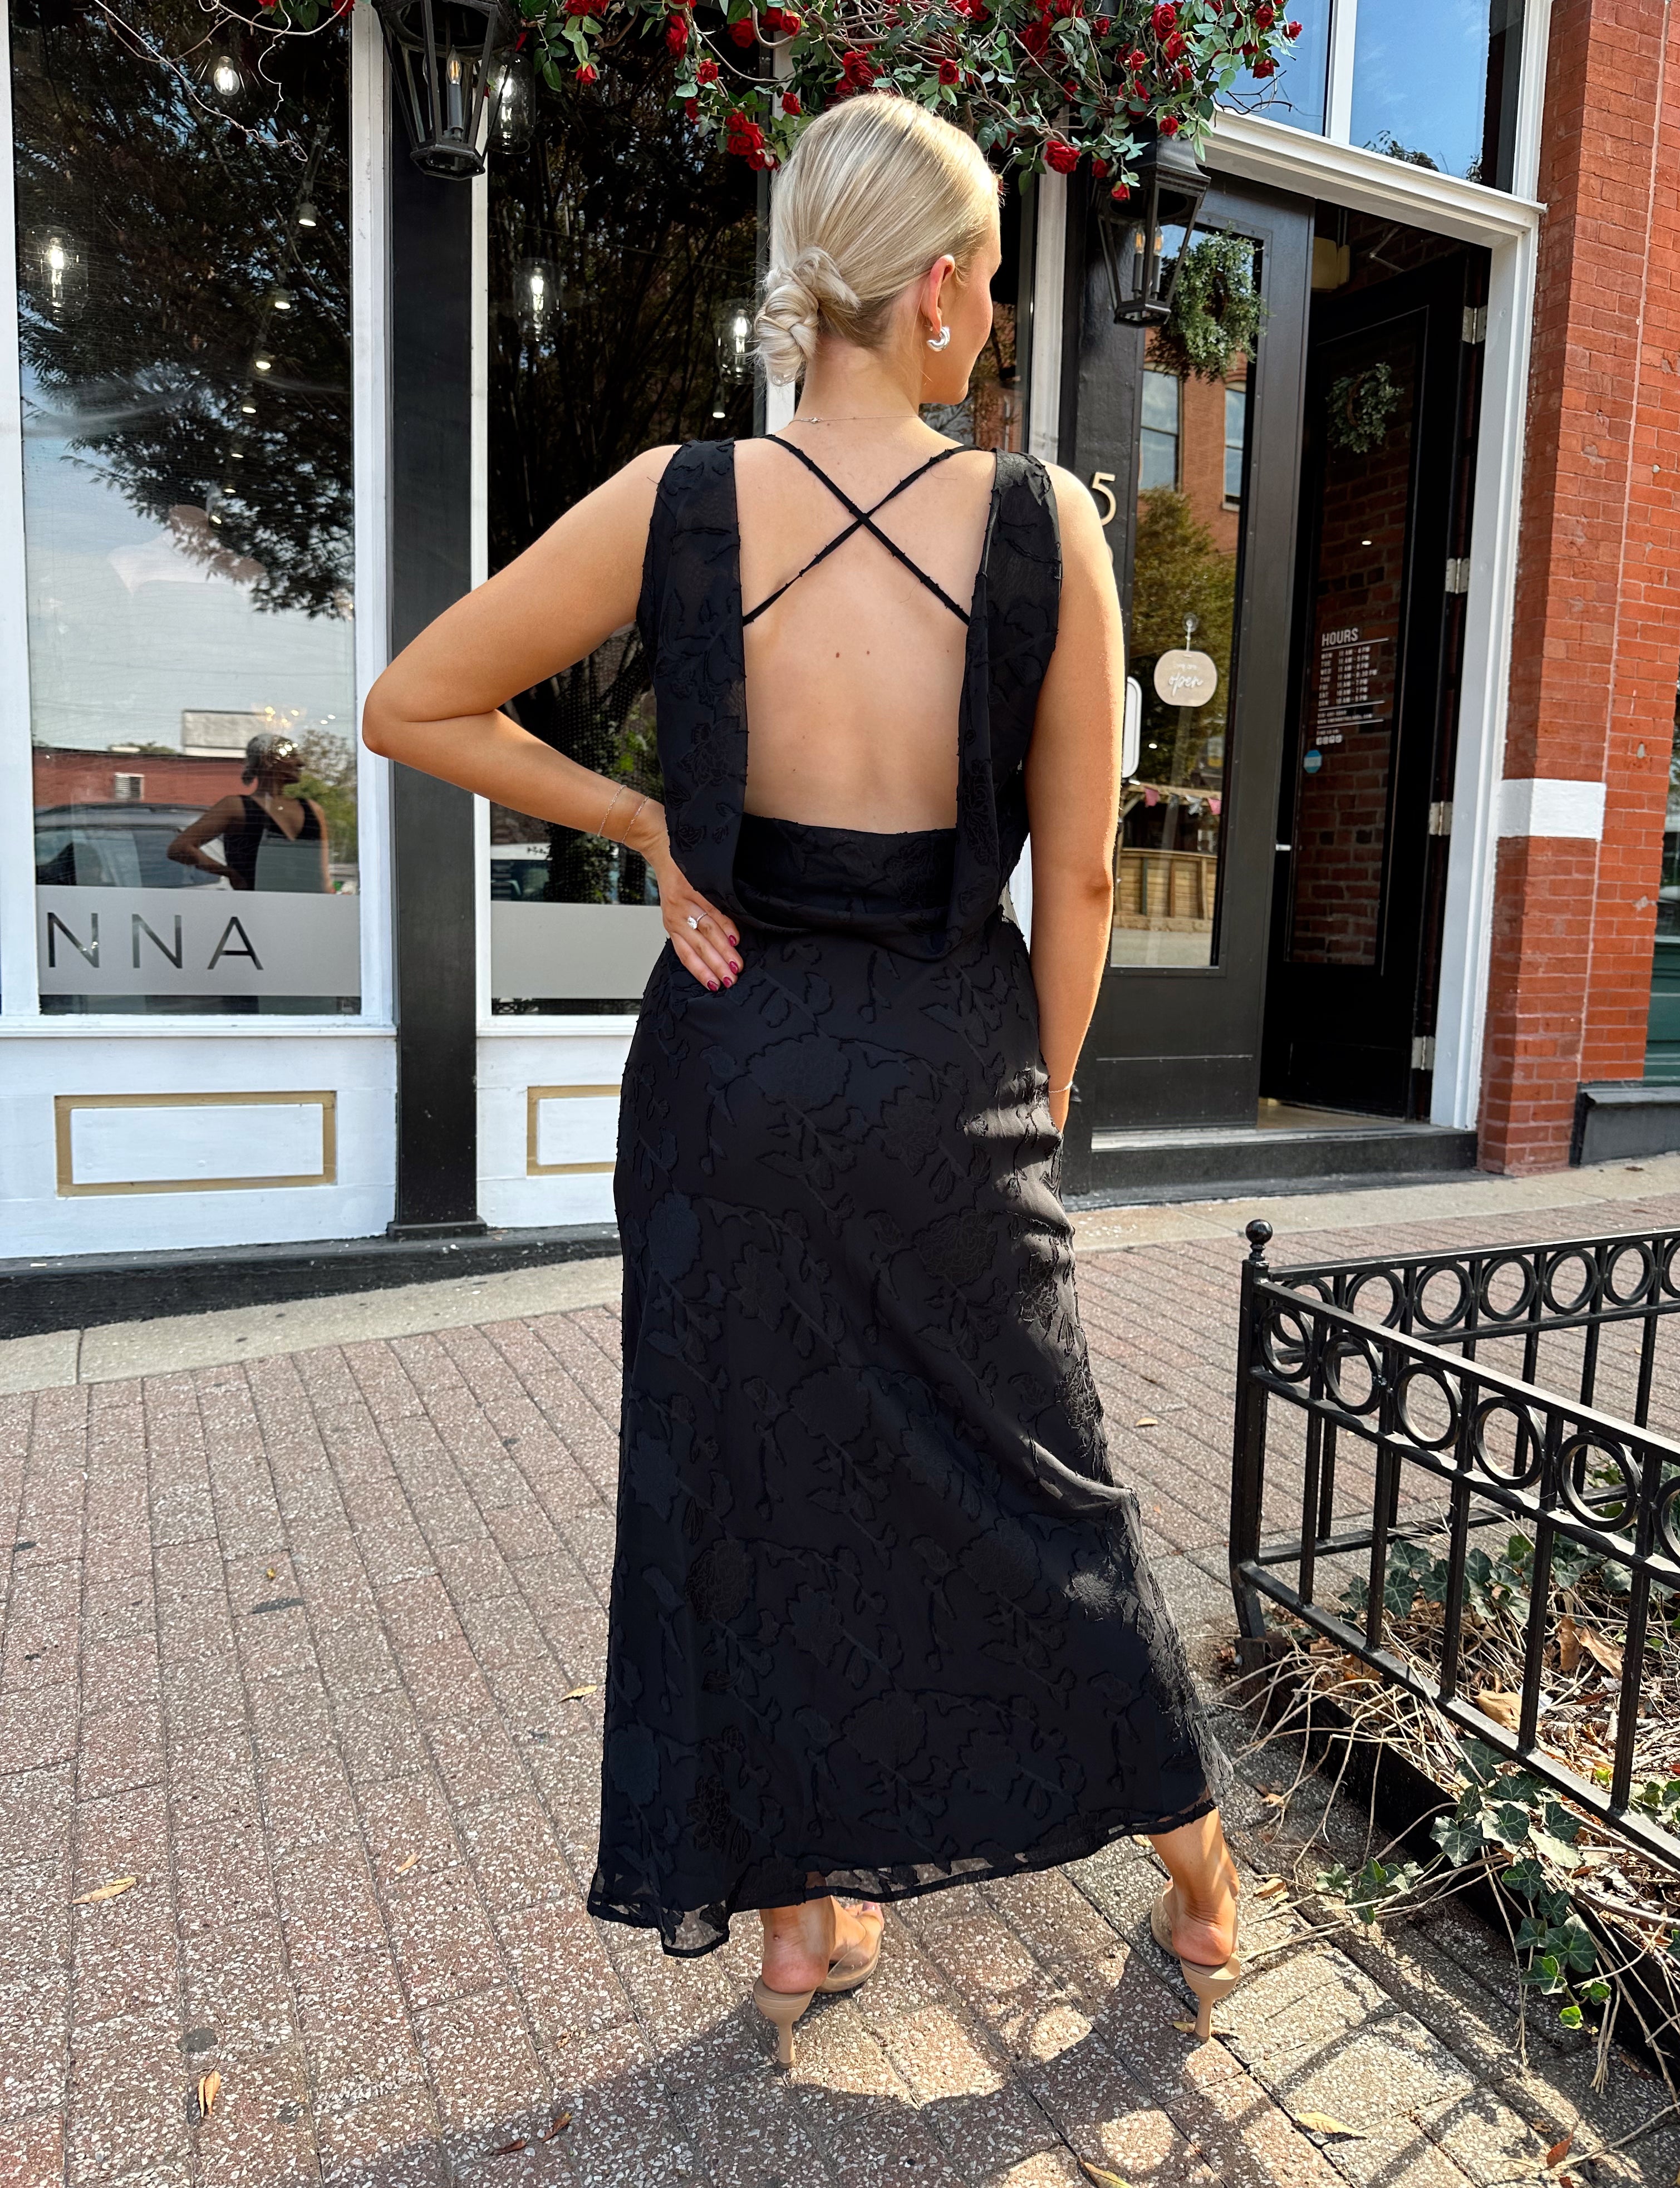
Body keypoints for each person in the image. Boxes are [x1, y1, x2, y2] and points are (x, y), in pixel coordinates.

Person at [362, 91, 1242, 2068]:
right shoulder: (1043, 526)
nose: (993, 317)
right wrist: (1032, 1097)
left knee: (748, 1491)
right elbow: (1083, 872)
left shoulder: (675, 500)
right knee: (1037, 1487)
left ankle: (797, 1925)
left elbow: (410, 702)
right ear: (930, 293)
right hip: (946, 1071)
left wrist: (651, 831)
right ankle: (1196, 1876)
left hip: (724, 1069)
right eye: (990, 282)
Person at [167, 730, 331, 892]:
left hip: (301, 904)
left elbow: (323, 875)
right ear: (268, 760)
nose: (301, 763)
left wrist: (231, 874)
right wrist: (230, 874)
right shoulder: (235, 807)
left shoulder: (312, 809)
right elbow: (180, 848)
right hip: (261, 904)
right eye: (291, 756)